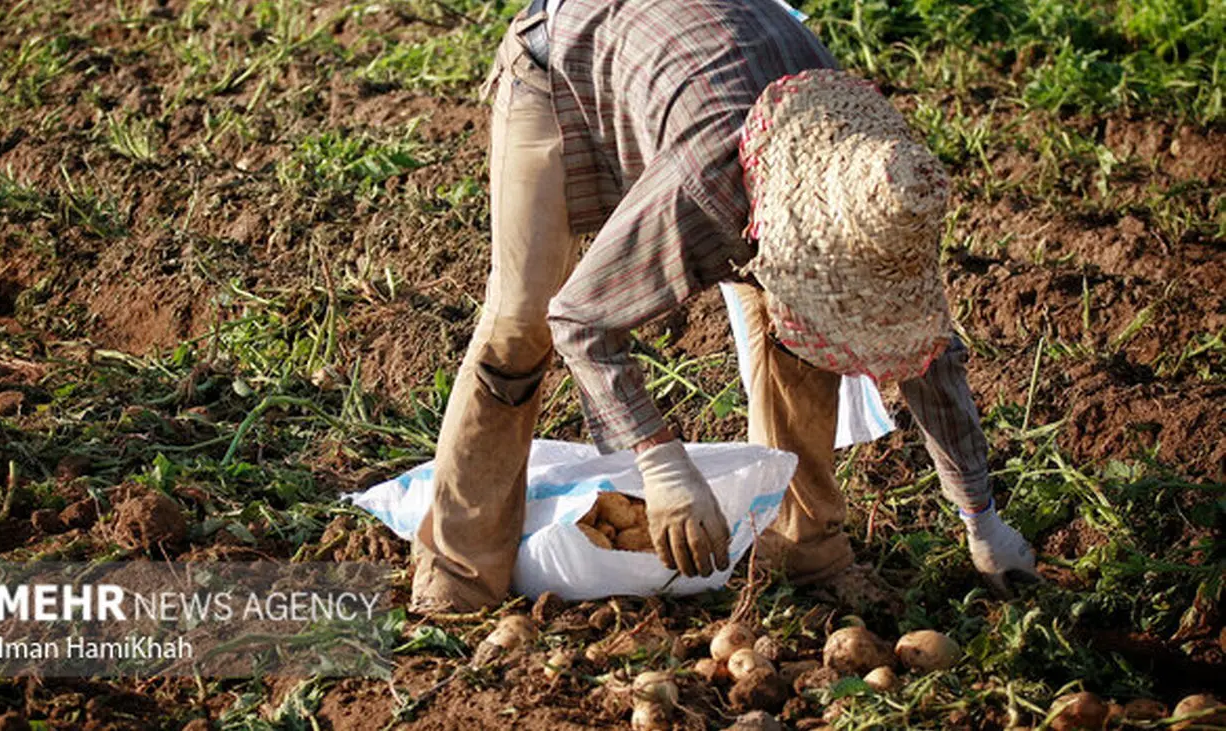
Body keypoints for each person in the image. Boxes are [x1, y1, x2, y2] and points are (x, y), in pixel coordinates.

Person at [408, 0, 1040, 613]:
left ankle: (804, 548)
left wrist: (980, 517)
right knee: (520, 325)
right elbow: (580, 319)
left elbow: (926, 353)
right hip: (561, 63)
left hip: (708, 78)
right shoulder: (700, 180)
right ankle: (460, 571)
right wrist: (660, 464)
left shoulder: (877, 185)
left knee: (800, 322)